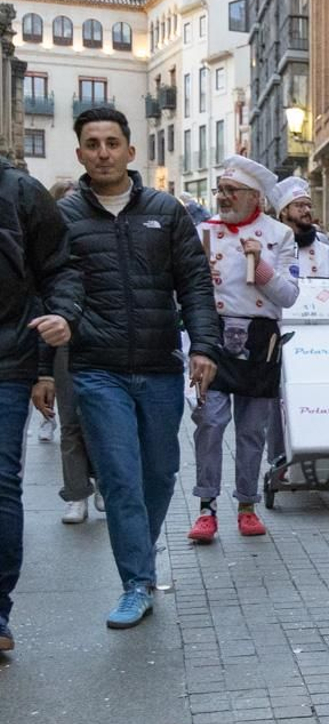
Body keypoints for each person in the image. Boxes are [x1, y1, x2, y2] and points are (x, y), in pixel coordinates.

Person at [54, 106, 220, 630]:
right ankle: (137, 582)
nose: (103, 152)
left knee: (160, 471)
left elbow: (193, 283)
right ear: (80, 153)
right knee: (121, 478)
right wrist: (45, 363)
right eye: (92, 143)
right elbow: (53, 289)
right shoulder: (64, 217)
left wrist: (204, 348)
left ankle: (139, 562)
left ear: (130, 150)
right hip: (96, 368)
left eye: (111, 142)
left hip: (159, 365)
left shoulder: (165, 211)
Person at [187, 156, 298, 544]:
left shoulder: (279, 235)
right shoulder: (203, 232)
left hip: (261, 338)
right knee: (210, 423)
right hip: (213, 335)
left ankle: (248, 505)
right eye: (220, 190)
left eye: (231, 191)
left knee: (252, 431)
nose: (223, 197)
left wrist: (260, 263)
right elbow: (186, 289)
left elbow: (289, 295)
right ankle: (206, 507)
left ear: (254, 197)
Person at [0, 155, 77, 652]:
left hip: (6, 358)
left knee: (1, 480)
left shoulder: (20, 193)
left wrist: (61, 322)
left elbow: (59, 271)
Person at [34, 177, 99, 523]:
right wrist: (43, 370)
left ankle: (103, 482)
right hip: (65, 339)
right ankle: (76, 494)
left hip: (103, 337)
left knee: (102, 419)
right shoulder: (51, 252)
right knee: (71, 420)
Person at [266, 176, 329, 467]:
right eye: (300, 205)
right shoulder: (272, 247)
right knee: (278, 398)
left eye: (309, 205)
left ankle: (319, 450)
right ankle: (278, 457)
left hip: (319, 337)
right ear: (284, 211)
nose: (307, 211)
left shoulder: (323, 251)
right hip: (280, 334)